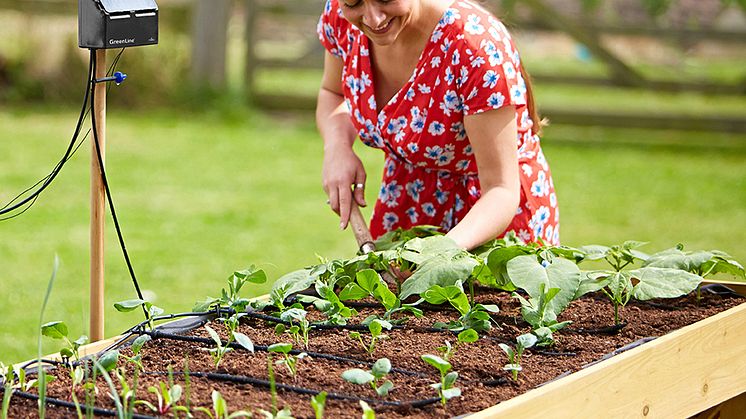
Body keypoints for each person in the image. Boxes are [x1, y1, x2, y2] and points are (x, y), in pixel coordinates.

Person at [315, 0, 559, 250]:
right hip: (410, 204)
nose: (373, 19)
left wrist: (435, 256)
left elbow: (501, 189)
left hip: (492, 218)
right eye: (353, 3)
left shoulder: (473, 43)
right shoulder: (340, 17)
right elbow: (332, 92)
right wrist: (337, 147)